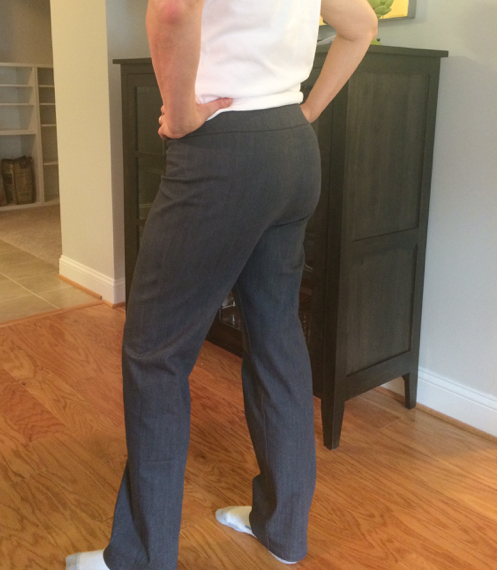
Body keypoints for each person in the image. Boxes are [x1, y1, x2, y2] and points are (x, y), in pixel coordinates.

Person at [66, 0, 377, 568]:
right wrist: (305, 111)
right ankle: (282, 532)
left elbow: (172, 7)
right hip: (292, 146)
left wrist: (182, 111)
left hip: (223, 148)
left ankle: (138, 559)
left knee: (155, 355)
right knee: (278, 335)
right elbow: (361, 27)